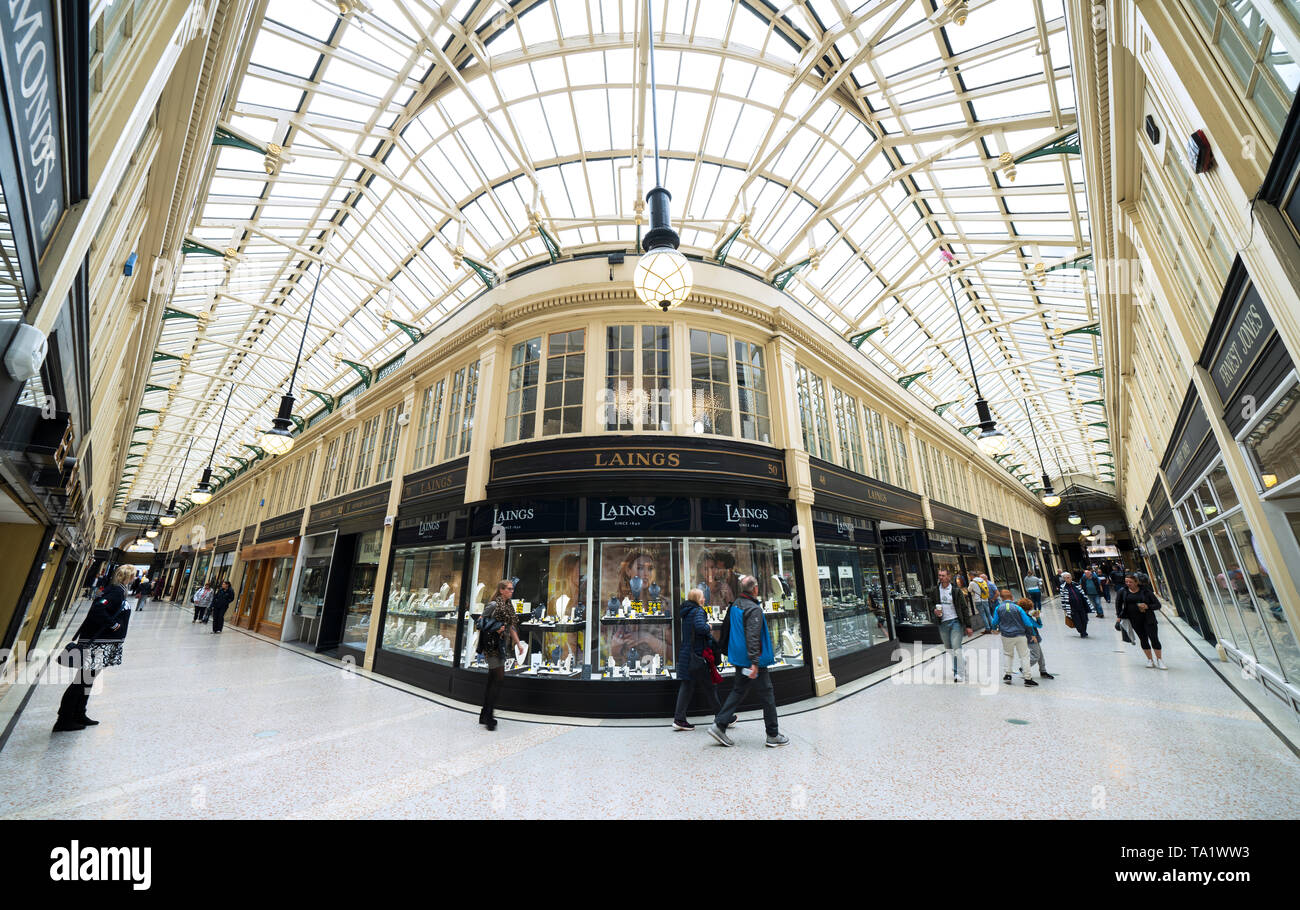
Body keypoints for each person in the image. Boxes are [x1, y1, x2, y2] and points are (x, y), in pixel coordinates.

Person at [707, 575, 788, 747]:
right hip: (751, 660)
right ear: (755, 589)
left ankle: (719, 725)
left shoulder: (736, 604)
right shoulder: (753, 609)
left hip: (738, 657)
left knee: (738, 690)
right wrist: (754, 662)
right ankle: (773, 734)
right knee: (767, 694)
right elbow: (753, 636)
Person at [54, 565, 133, 732]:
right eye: (132, 576)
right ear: (127, 577)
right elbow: (98, 609)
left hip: (102, 644)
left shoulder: (117, 590)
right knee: (81, 681)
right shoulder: (116, 591)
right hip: (98, 645)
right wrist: (113, 625)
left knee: (86, 680)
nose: (134, 579)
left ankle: (79, 713)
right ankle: (64, 719)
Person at [672, 588, 721, 731]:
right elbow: (700, 627)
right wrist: (709, 626)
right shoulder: (698, 611)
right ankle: (723, 717)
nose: (704, 599)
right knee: (710, 686)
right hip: (698, 655)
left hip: (688, 654)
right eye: (702, 597)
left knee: (687, 686)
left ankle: (679, 719)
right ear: (697, 599)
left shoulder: (687, 612)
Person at [478, 580, 521, 731]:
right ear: (501, 590)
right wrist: (495, 628)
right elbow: (480, 623)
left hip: (502, 646)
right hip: (492, 646)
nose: (512, 591)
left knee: (492, 679)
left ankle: (484, 714)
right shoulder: (493, 605)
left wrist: (519, 644)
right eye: (509, 589)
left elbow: (511, 626)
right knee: (498, 678)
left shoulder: (509, 606)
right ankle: (489, 716)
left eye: (512, 589)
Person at [927, 569, 972, 682]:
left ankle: (958, 673)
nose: (940, 577)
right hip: (942, 623)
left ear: (948, 577)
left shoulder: (956, 591)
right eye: (939, 575)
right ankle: (962, 661)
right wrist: (934, 610)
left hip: (955, 621)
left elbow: (964, 608)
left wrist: (968, 626)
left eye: (943, 575)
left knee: (956, 647)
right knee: (949, 648)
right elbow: (931, 603)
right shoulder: (935, 590)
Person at [1116, 573, 1166, 669]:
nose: (1128, 584)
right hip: (1134, 620)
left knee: (1154, 638)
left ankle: (1159, 660)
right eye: (1126, 582)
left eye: (1130, 582)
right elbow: (1118, 605)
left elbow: (1158, 605)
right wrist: (1119, 616)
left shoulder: (1146, 592)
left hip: (1148, 619)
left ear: (1136, 582)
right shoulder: (1123, 592)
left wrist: (1147, 606)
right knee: (1143, 639)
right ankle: (1150, 660)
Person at [989, 593, 1039, 687]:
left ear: (1002, 598)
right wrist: (1032, 634)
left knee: (1008, 654)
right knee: (1024, 656)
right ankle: (1028, 679)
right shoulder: (1018, 608)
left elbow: (995, 621)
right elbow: (1028, 623)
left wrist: (994, 628)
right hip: (1020, 635)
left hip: (1006, 636)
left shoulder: (998, 608)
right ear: (1012, 598)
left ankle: (1008, 675)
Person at [1020, 596, 1054, 679]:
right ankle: (1024, 668)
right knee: (1036, 656)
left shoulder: (1024, 615)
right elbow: (1039, 625)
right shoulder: (1027, 617)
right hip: (1032, 638)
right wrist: (1038, 617)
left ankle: (1043, 671)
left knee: (1040, 656)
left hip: (1030, 638)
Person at [1060, 572, 1091, 638]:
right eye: (1067, 577)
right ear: (1064, 579)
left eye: (1070, 577)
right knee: (1077, 621)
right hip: (1072, 608)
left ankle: (1084, 631)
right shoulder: (1063, 588)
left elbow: (1083, 594)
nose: (1069, 578)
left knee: (1084, 620)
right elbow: (1063, 599)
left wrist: (1087, 604)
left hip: (1081, 606)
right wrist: (1065, 609)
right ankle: (1082, 632)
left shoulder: (1076, 584)